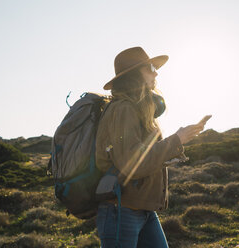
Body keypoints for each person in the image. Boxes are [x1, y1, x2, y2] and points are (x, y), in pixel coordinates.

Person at [95, 47, 211, 248]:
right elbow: (133, 163)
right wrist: (177, 140)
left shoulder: (140, 110)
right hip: (121, 210)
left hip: (143, 208)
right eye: (150, 67)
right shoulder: (123, 109)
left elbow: (147, 156)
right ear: (134, 75)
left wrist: (181, 138)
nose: (156, 72)